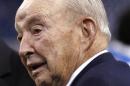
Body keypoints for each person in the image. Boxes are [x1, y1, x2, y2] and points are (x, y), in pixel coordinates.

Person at [15, 0, 130, 86]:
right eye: (20, 38)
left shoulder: (97, 83)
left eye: (37, 30)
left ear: (85, 31)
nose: (23, 50)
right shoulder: (117, 75)